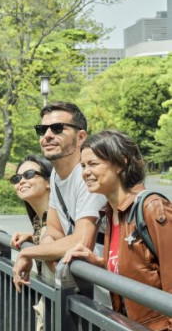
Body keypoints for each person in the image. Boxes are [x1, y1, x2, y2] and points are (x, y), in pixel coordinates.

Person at [63, 130, 172, 331]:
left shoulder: (152, 207)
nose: (85, 172)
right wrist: (100, 263)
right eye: (83, 166)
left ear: (121, 163)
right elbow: (141, 267)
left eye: (93, 164)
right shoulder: (111, 213)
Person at [12, 101, 106, 292]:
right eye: (42, 129)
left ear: (81, 137)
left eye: (57, 128)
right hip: (79, 287)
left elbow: (81, 241)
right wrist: (49, 255)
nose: (47, 135)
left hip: (105, 289)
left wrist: (29, 253)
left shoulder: (88, 175)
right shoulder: (55, 175)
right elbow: (54, 230)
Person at [10, 154, 52, 255]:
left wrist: (27, 253)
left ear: (49, 181)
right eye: (17, 178)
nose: (21, 181)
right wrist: (33, 238)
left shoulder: (59, 218)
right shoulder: (38, 220)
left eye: (29, 175)